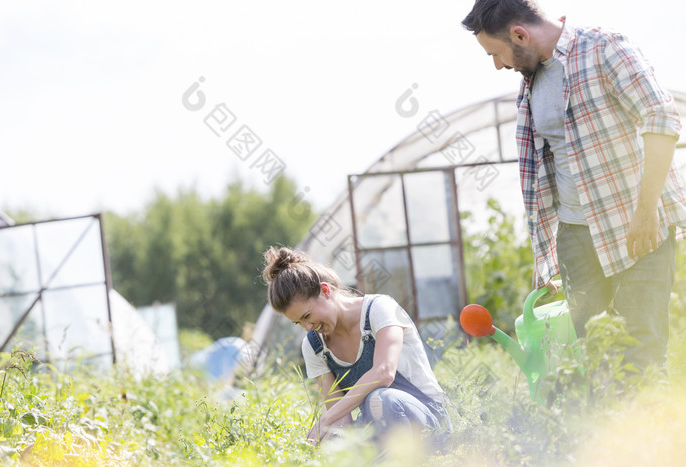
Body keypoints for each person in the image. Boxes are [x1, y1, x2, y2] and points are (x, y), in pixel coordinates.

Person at [461, 0, 686, 370]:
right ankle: (608, 428)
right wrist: (546, 255)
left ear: (520, 35)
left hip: (635, 228)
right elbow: (542, 176)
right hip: (576, 239)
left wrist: (646, 211)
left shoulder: (604, 48)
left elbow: (661, 118)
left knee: (641, 350)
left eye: (496, 53)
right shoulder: (531, 82)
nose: (498, 64)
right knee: (593, 356)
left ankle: (652, 425)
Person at [261, 246, 451, 447]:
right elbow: (342, 422)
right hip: (382, 431)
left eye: (307, 316)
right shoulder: (315, 346)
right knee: (336, 441)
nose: (307, 328)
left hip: (430, 424)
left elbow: (384, 372)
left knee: (379, 400)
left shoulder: (380, 309)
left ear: (325, 291)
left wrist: (325, 420)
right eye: (298, 323)